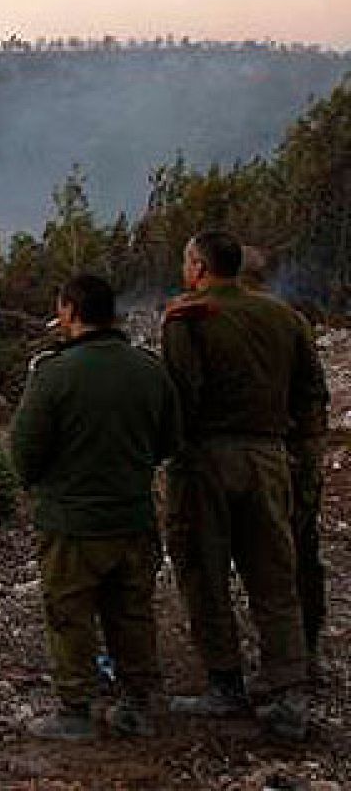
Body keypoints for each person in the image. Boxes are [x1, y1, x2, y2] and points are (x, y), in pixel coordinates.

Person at [161, 229, 328, 739]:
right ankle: (288, 688)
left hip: (206, 460)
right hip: (270, 457)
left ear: (200, 268)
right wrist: (302, 459)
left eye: (188, 262)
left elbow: (180, 396)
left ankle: (225, 684)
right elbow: (312, 395)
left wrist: (171, 453)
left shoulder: (187, 318)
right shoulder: (285, 317)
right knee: (275, 572)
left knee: (203, 570)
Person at [11, 273, 182, 740]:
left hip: (72, 525)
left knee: (70, 614)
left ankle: (75, 711)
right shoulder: (149, 369)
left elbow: (24, 451)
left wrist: (43, 486)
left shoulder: (54, 373)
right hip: (132, 518)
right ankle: (140, 703)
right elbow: (169, 441)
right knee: (132, 612)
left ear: (69, 310)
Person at [239, 244, 330, 679]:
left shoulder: (230, 318)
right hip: (299, 449)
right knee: (301, 550)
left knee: (265, 554)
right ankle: (305, 651)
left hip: (263, 452)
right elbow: (314, 391)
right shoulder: (292, 321)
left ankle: (277, 662)